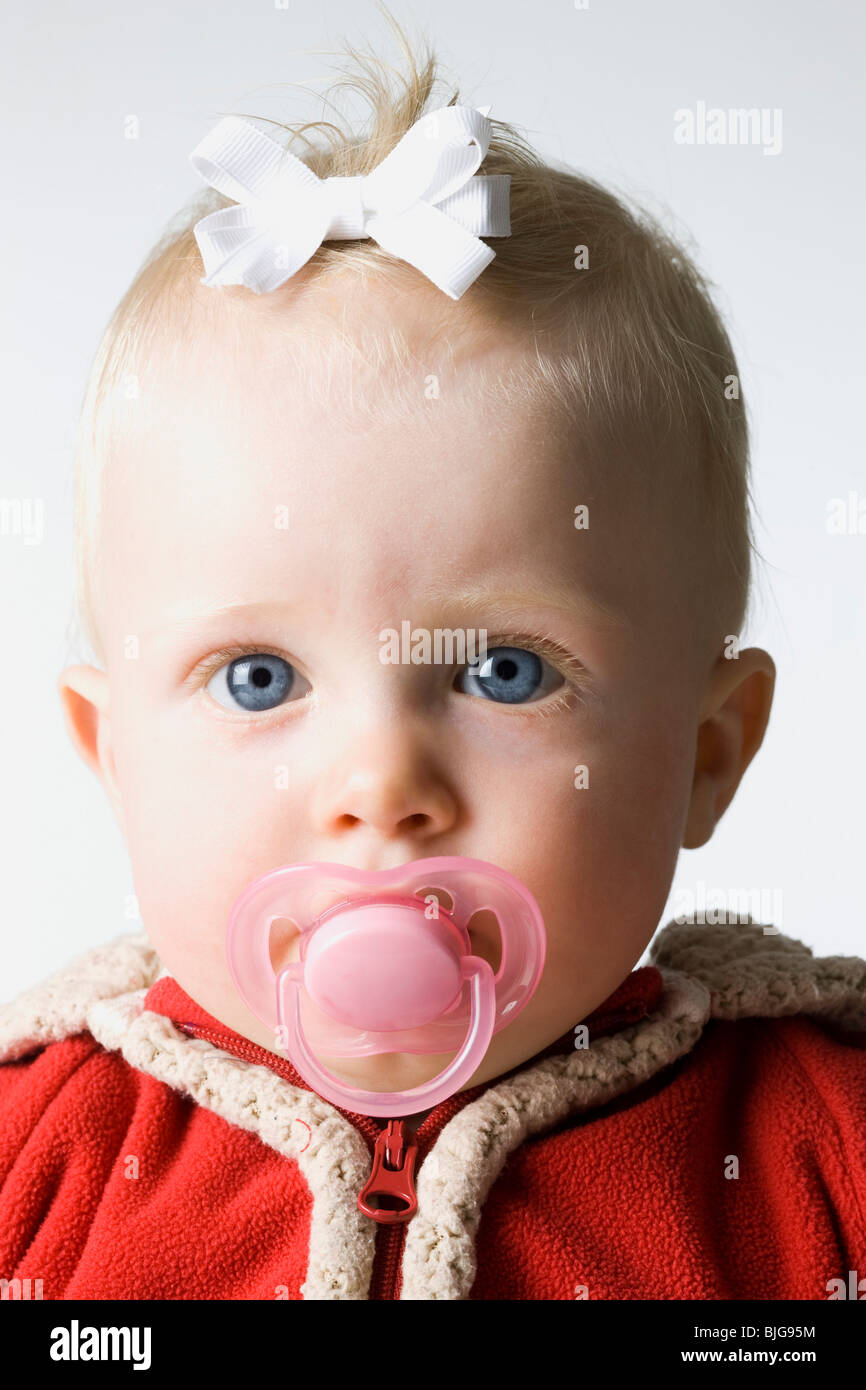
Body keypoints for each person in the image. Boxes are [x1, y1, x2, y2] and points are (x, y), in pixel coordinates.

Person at [2, 12, 863, 1301]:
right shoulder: (43, 1159)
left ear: (706, 750)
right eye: (259, 677)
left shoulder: (820, 1152)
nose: (380, 783)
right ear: (113, 756)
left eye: (504, 671)